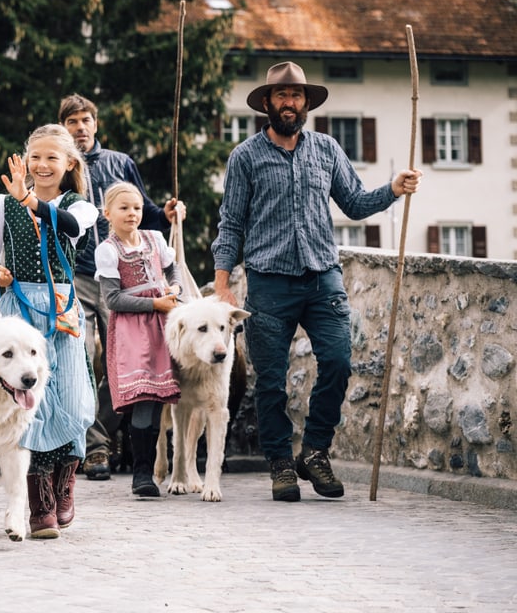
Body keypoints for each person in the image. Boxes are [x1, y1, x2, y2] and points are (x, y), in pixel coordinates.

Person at [211, 61, 421, 502]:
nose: (289, 102)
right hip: (268, 282)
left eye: (297, 95)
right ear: (267, 103)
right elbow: (230, 224)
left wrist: (394, 189)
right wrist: (223, 283)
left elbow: (357, 203)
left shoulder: (326, 149)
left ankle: (315, 452)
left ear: (306, 103)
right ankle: (280, 464)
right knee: (271, 380)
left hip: (323, 276)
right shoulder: (245, 156)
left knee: (340, 361)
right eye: (281, 95)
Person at [0, 124, 97, 539]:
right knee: (30, 406)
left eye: (52, 158)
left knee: (75, 399)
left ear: (69, 164)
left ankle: (65, 480)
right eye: (36, 157)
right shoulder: (1, 204)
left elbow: (66, 226)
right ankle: (39, 501)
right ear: (25, 160)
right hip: (20, 312)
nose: (42, 165)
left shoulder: (81, 206)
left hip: (62, 310)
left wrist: (29, 200)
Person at [58, 94, 182, 481]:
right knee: (81, 358)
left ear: (96, 124)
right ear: (64, 127)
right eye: (73, 121)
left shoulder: (120, 163)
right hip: (77, 273)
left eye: (86, 120)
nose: (80, 127)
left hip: (127, 284)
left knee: (121, 365)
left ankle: (108, 434)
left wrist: (167, 213)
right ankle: (95, 449)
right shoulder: (59, 166)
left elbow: (143, 208)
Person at [94, 182, 182, 497]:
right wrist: (152, 303)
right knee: (144, 396)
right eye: (124, 208)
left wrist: (174, 290)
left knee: (158, 396)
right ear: (108, 213)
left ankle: (150, 467)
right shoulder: (108, 250)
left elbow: (173, 272)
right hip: (132, 331)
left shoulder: (155, 239)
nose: (132, 213)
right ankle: (141, 473)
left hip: (162, 326)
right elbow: (113, 299)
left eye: (137, 208)